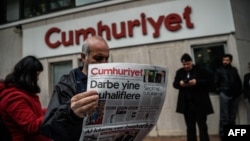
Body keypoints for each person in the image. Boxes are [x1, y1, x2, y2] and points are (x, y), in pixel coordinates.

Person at [40, 35, 110, 141]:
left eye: (106, 58)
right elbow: (49, 126)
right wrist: (71, 113)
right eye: (98, 58)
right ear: (83, 57)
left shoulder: (110, 80)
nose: (104, 63)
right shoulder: (67, 84)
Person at [0, 56, 51, 141]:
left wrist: (53, 109)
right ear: (28, 75)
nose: (38, 78)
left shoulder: (21, 93)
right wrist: (55, 114)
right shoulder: (13, 97)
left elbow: (34, 113)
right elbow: (31, 126)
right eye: (37, 74)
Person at [173, 53, 214, 141]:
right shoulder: (180, 72)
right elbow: (175, 84)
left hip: (200, 104)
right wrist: (180, 84)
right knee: (190, 127)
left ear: (191, 62)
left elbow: (209, 81)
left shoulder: (201, 70)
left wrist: (197, 82)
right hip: (187, 105)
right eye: (184, 64)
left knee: (202, 126)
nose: (186, 66)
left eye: (188, 64)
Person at [213, 54, 242, 140]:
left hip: (235, 95)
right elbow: (215, 82)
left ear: (230, 61)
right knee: (224, 117)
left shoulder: (234, 70)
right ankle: (223, 135)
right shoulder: (219, 70)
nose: (225, 62)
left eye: (227, 60)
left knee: (232, 117)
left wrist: (239, 91)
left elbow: (238, 81)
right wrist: (220, 91)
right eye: (224, 60)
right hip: (224, 94)